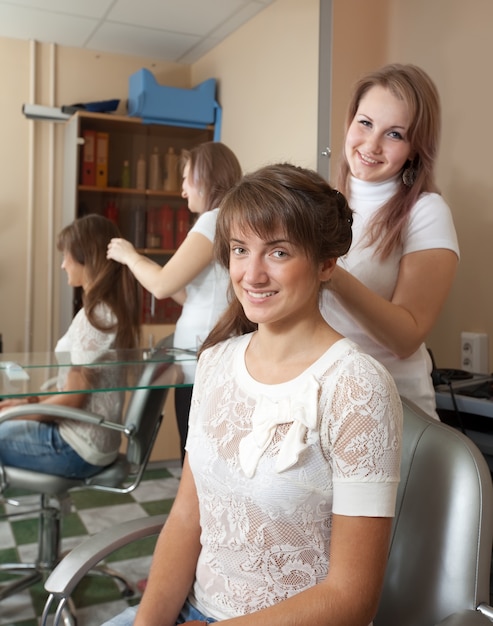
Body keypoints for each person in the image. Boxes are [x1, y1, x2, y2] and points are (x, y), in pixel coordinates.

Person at [103, 163, 403, 626]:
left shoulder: (357, 388)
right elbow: (186, 519)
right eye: (240, 250)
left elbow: (352, 597)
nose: (252, 274)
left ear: (326, 263)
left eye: (278, 252)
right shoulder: (216, 362)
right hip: (190, 610)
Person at [320, 63, 459, 419]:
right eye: (364, 123)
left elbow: (406, 338)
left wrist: (330, 273)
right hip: (323, 400)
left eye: (394, 134)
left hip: (391, 410)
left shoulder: (427, 212)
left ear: (415, 148)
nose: (371, 144)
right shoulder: (318, 200)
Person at [107, 141, 242, 462]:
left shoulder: (213, 221)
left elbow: (163, 287)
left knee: (196, 461)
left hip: (203, 365)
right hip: (203, 361)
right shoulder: (225, 219)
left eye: (185, 180)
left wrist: (130, 256)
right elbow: (185, 291)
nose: (182, 191)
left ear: (204, 177)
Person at [0, 214, 140, 478]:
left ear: (86, 257)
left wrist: (19, 412)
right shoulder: (105, 312)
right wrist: (28, 401)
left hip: (75, 446)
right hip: (92, 439)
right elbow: (74, 391)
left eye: (67, 256)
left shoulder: (96, 318)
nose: (63, 265)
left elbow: (73, 399)